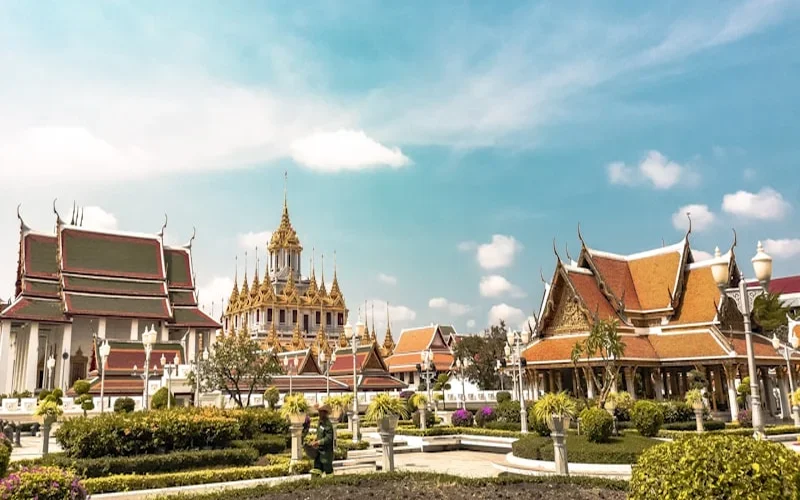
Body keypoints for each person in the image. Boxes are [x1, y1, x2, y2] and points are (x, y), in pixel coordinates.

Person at [311, 404, 335, 475]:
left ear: (325, 413)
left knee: (328, 472)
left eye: (320, 412)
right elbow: (319, 435)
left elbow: (329, 438)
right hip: (319, 453)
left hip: (326, 454)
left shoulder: (328, 424)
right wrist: (315, 440)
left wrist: (318, 442)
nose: (319, 414)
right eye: (319, 412)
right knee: (316, 471)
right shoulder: (320, 423)